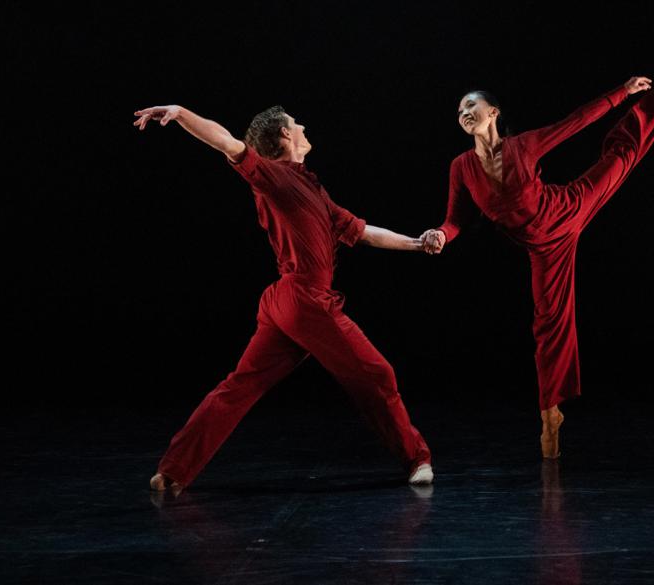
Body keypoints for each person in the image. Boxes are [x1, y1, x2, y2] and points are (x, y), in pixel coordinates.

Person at [133, 103, 435, 496]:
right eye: (296, 124)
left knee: (239, 387)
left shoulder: (313, 188)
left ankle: (172, 471)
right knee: (378, 375)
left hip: (285, 305)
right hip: (305, 299)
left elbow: (363, 232)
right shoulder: (272, 176)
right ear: (283, 137)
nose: (304, 125)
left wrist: (417, 244)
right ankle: (417, 458)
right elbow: (225, 141)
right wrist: (181, 113)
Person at [419, 61, 654, 458]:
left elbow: (574, 122)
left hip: (568, 208)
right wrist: (440, 235)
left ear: (493, 112)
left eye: (471, 105)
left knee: (621, 156)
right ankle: (550, 416)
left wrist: (622, 92)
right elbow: (454, 221)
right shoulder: (461, 168)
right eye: (459, 111)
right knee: (548, 323)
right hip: (544, 249)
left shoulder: (523, 146)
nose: (464, 112)